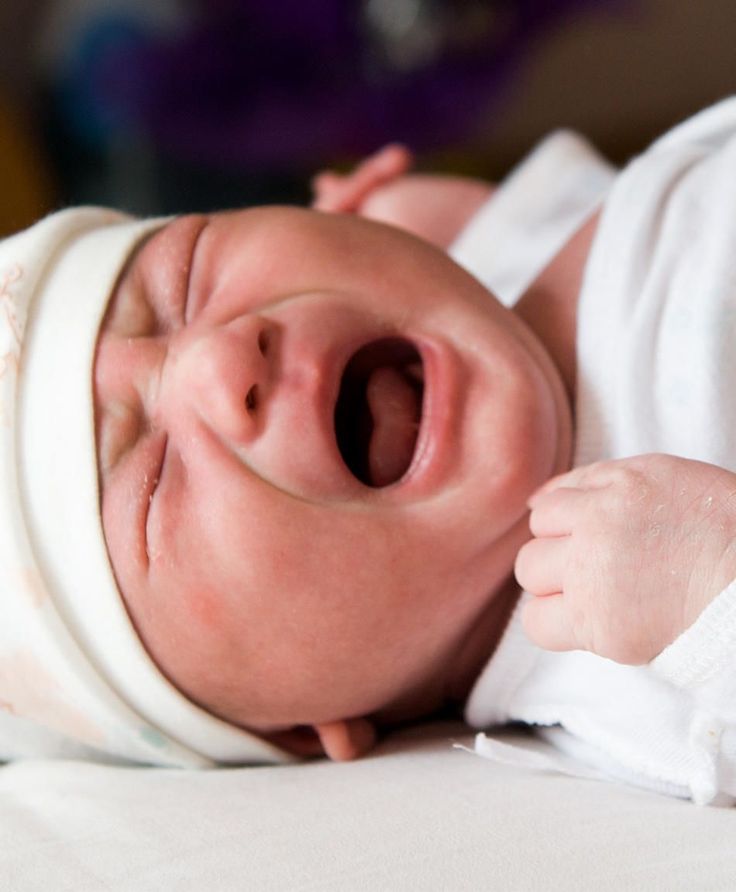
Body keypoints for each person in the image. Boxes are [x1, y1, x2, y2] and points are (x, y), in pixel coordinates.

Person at [2, 98, 736, 804]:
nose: (220, 362)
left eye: (185, 277)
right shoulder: (636, 661)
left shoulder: (496, 277)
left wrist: (476, 227)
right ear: (288, 721)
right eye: (154, 485)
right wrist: (716, 590)